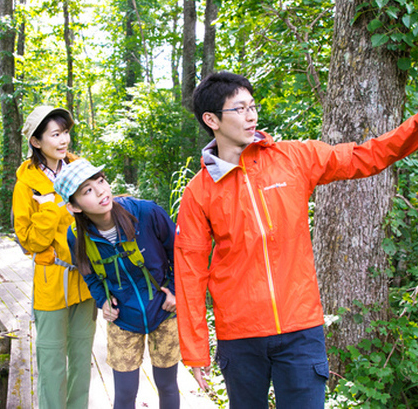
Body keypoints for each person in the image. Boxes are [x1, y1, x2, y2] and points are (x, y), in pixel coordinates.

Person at [174, 71, 418, 409]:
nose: (252, 116)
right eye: (240, 109)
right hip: (240, 338)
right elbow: (190, 275)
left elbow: (366, 156)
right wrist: (196, 350)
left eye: (253, 106)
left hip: (301, 331)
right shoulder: (199, 192)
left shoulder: (292, 159)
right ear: (211, 119)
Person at [53, 159, 180, 409]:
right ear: (74, 206)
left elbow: (180, 252)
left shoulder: (145, 213)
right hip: (122, 319)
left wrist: (175, 292)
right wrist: (102, 301)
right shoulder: (76, 236)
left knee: (167, 386)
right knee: (124, 395)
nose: (101, 191)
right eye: (87, 190)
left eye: (100, 181)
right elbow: (88, 273)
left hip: (164, 312)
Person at [12, 106, 96, 409]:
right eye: (55, 134)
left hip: (86, 277)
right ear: (36, 141)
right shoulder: (26, 185)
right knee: (50, 359)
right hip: (51, 280)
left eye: (66, 132)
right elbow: (30, 241)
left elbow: (100, 211)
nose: (64, 140)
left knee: (82, 356)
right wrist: (51, 208)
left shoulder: (81, 168)